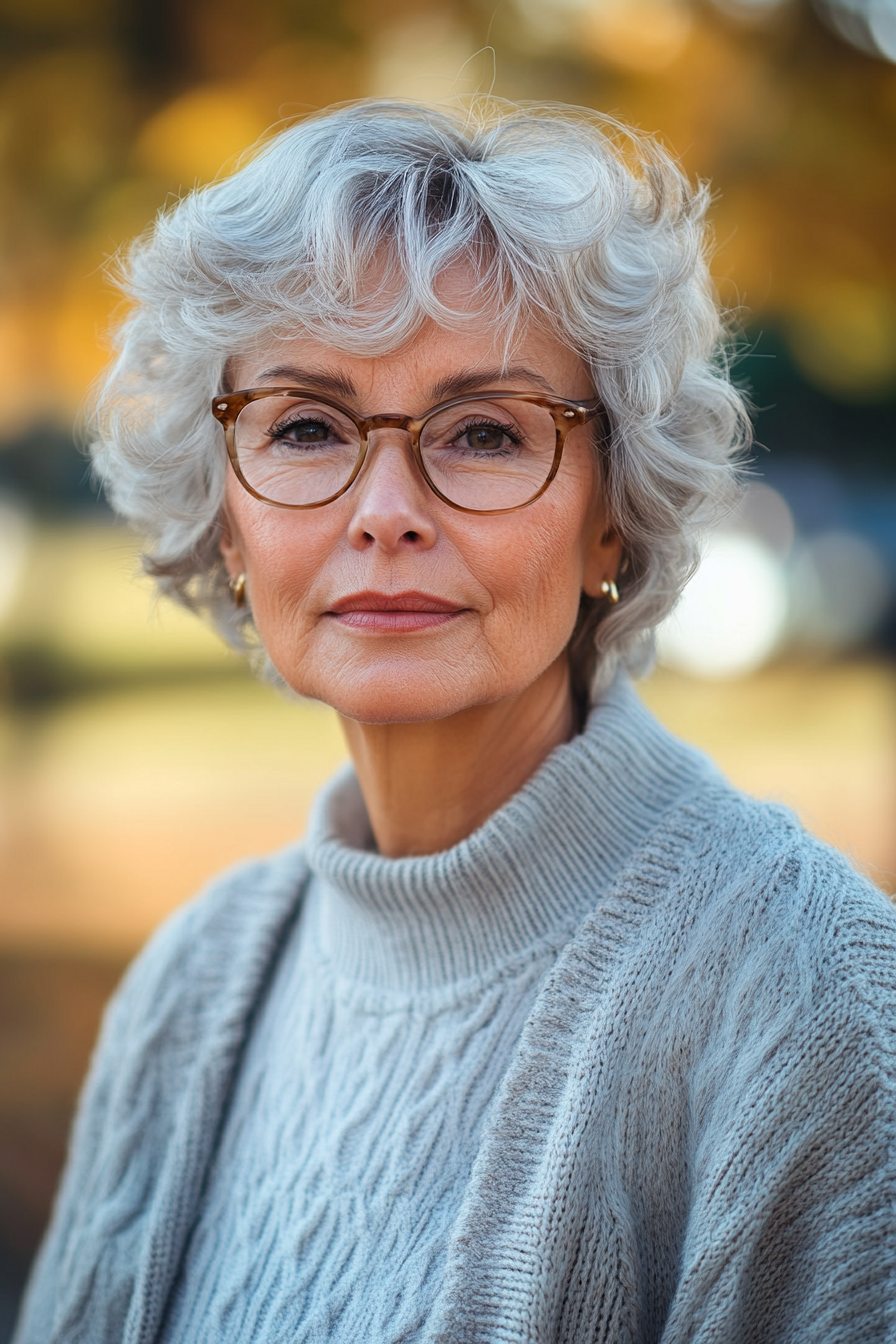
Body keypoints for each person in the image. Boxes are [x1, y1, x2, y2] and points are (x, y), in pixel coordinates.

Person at [14, 100, 896, 1344]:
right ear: (227, 515)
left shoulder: (804, 996)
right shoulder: (193, 983)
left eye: (482, 432)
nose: (384, 509)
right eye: (307, 426)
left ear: (612, 510)